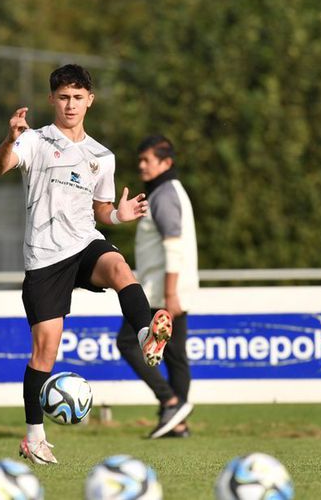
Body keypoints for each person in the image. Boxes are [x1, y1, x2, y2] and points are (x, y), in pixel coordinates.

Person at [0, 64, 173, 465]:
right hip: (45, 256)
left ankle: (146, 336)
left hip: (85, 242)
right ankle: (34, 437)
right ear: (52, 99)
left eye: (77, 97)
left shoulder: (101, 156)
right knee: (45, 351)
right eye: (63, 97)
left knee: (121, 269)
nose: (70, 105)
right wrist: (9, 139)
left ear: (89, 100)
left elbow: (102, 211)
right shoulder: (34, 141)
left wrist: (120, 217)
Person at [117, 134, 198, 439]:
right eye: (139, 160)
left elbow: (173, 246)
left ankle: (170, 400)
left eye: (146, 160)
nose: (141, 165)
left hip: (160, 291)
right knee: (176, 355)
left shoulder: (164, 194)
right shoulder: (167, 190)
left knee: (127, 342)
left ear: (166, 163)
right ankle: (178, 424)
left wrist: (170, 293)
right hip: (166, 288)